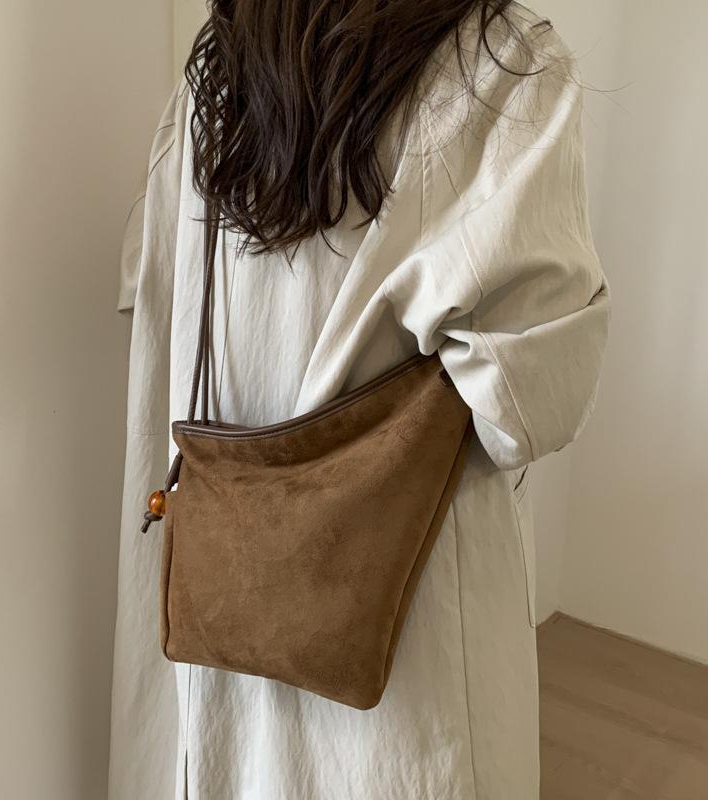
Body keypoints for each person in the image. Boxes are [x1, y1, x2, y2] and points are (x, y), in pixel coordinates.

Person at [109, 1, 611, 798]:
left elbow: (153, 291)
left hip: (216, 605)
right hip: (411, 642)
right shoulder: (503, 62)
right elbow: (527, 401)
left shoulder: (221, 67)